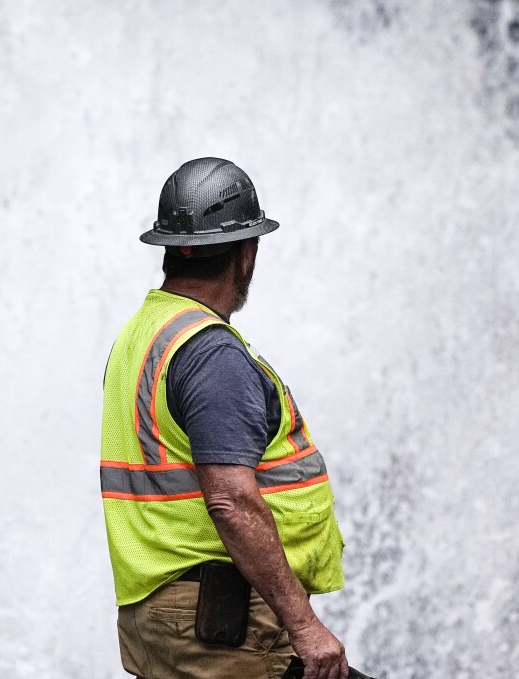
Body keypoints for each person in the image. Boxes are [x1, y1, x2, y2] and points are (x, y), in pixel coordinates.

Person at [100, 157, 350, 679]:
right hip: (219, 624)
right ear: (246, 254)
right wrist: (304, 626)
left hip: (166, 614)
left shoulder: (143, 335)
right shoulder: (212, 354)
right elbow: (231, 500)